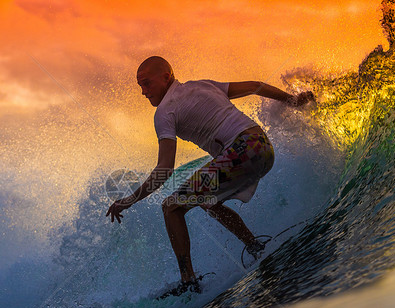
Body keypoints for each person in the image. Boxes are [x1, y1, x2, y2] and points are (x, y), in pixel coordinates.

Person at [106, 56, 314, 294]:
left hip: (241, 151)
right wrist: (292, 101)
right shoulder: (203, 85)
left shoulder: (165, 112)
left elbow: (165, 169)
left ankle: (188, 282)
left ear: (166, 77)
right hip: (263, 147)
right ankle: (255, 246)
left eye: (147, 83)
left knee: (171, 207)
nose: (143, 91)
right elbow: (255, 85)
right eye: (139, 86)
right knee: (207, 200)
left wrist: (129, 200)